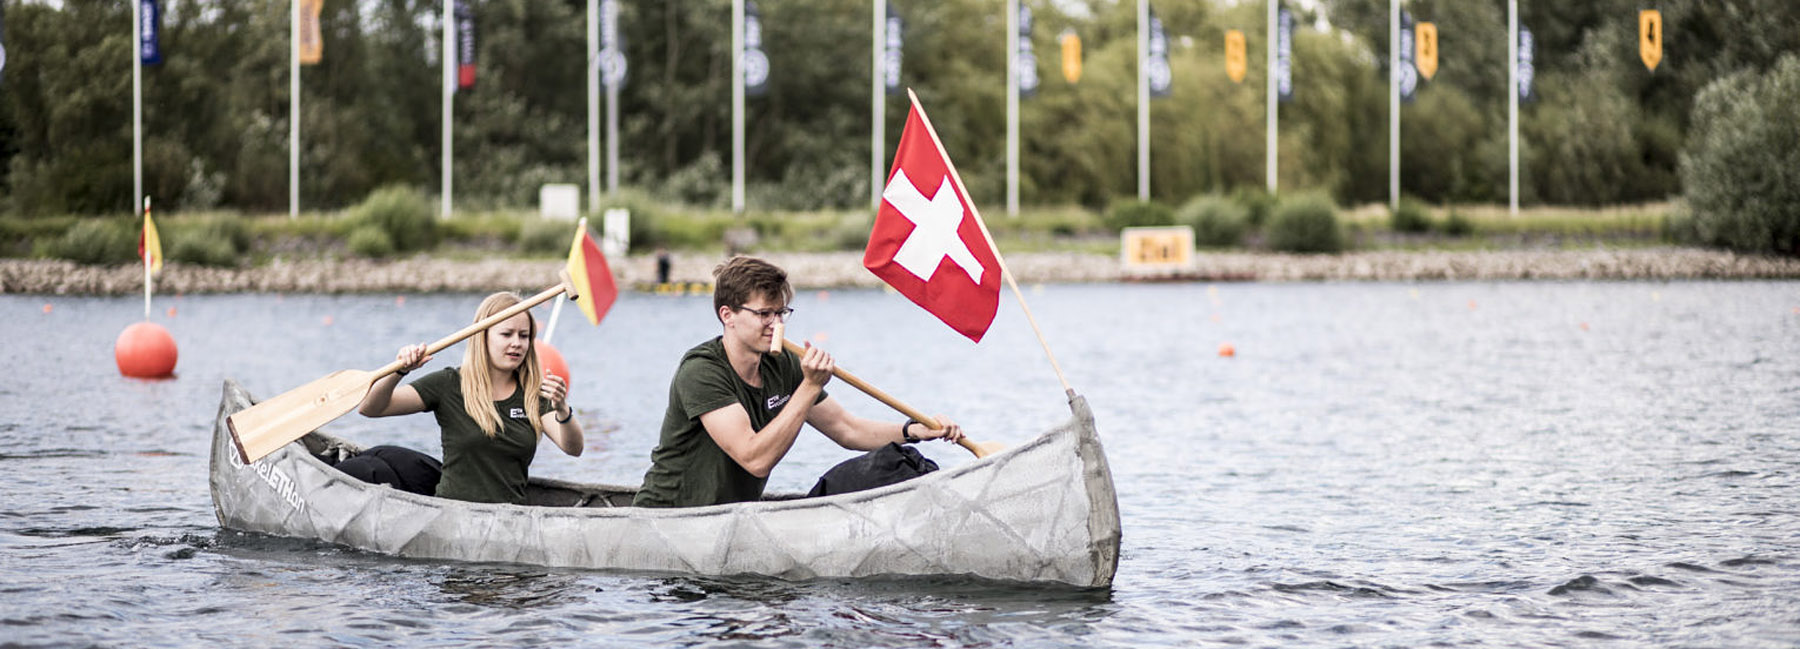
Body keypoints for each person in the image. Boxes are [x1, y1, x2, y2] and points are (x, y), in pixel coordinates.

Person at [633, 256, 965, 508]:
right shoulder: (701, 371)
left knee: (896, 463)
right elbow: (754, 458)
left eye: (781, 313)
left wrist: (912, 431)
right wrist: (808, 387)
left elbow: (847, 430)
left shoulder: (783, 363)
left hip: (735, 517)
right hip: (671, 516)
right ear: (727, 315)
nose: (776, 324)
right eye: (764, 314)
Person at [357, 291, 584, 505]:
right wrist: (400, 371)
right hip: (452, 513)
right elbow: (370, 408)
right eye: (506, 334)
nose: (517, 343)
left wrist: (563, 409)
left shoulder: (533, 394)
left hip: (511, 517)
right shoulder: (448, 384)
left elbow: (573, 448)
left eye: (524, 336)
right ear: (482, 337)